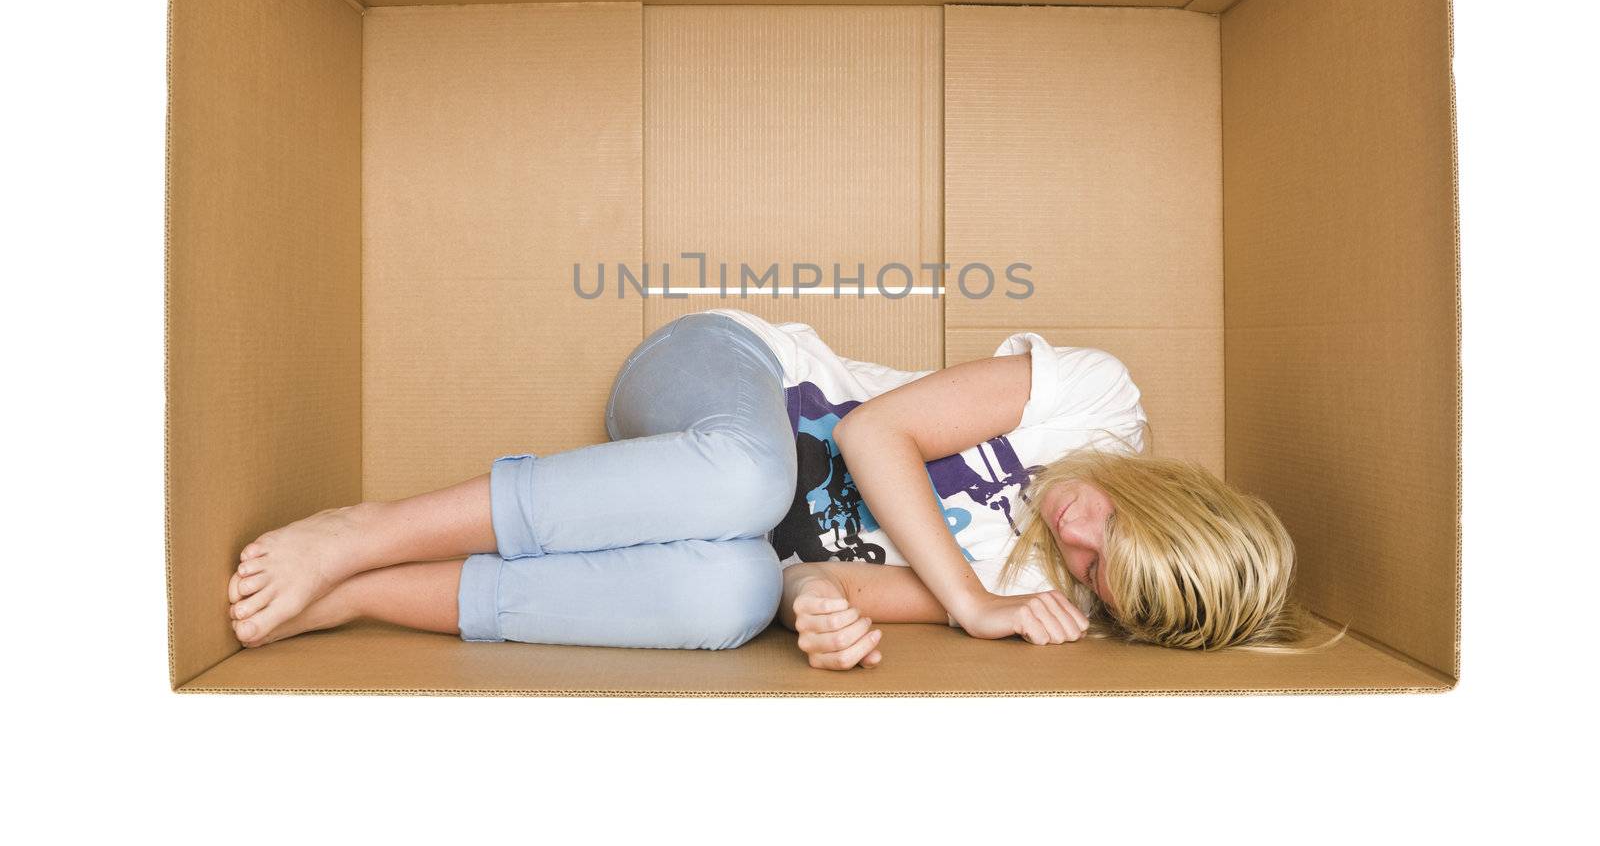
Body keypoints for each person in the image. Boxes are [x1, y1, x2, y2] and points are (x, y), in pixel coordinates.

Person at [226, 308, 1322, 670]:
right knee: (753, 480)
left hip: (687, 512)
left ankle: (366, 594)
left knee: (734, 597)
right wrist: (973, 604)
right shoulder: (1095, 401)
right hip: (721, 380)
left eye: (1094, 577)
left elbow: (815, 576)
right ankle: (366, 531)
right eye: (1114, 525)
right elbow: (874, 428)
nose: (1075, 538)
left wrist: (824, 615)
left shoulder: (1040, 595)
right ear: (1174, 489)